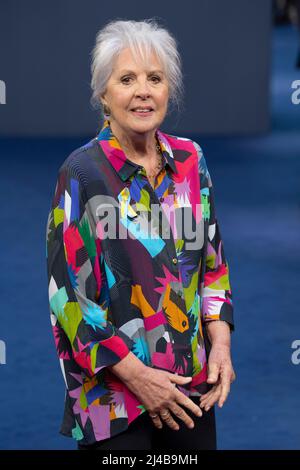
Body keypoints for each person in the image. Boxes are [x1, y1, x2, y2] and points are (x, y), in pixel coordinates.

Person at [46, 19, 236, 451]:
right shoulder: (82, 174)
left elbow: (213, 265)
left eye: (155, 78)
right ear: (104, 95)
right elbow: (69, 302)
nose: (143, 91)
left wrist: (220, 346)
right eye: (127, 79)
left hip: (189, 390)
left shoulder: (191, 159)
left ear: (170, 89)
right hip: (115, 402)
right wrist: (140, 378)